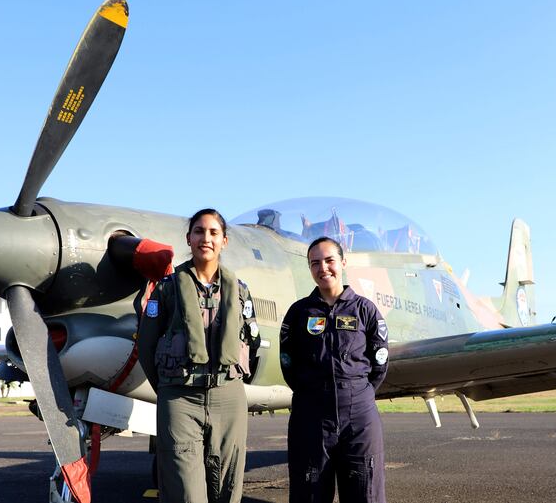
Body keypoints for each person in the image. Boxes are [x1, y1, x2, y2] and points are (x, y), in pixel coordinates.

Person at [137, 208, 260, 503]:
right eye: (199, 232)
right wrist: (169, 388)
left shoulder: (240, 292)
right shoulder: (167, 290)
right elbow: (146, 347)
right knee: (184, 490)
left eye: (214, 233)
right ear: (188, 239)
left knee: (227, 487)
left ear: (224, 241)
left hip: (228, 397)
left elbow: (252, 343)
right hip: (180, 398)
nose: (206, 238)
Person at [280, 236, 389, 503]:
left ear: (343, 262)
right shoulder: (298, 313)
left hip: (358, 416)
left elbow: (380, 361)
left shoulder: (365, 310)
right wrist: (314, 393)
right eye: (315, 263)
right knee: (309, 493)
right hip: (310, 415)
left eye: (329, 260)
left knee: (366, 493)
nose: (323, 268)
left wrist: (355, 392)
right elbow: (287, 362)